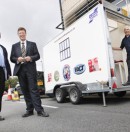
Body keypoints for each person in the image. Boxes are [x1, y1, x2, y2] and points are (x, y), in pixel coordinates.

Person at [10, 27, 49, 117]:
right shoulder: (14, 46)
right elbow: (12, 58)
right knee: (25, 91)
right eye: (20, 33)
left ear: (25, 33)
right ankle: (30, 110)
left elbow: (38, 56)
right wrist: (17, 59)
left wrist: (30, 58)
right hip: (20, 70)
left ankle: (40, 110)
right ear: (18, 35)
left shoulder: (32, 44)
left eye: (23, 33)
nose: (21, 34)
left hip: (30, 69)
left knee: (33, 90)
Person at [0, 33, 11, 121]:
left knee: (0, 93)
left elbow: (6, 61)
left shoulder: (3, 48)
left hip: (2, 71)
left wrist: (9, 73)